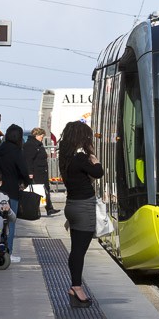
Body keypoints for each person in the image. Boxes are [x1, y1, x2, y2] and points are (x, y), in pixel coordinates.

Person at [59, 120, 103, 308]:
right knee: (79, 251)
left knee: (76, 248)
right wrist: (95, 158)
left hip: (72, 205)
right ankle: (77, 287)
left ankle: (74, 286)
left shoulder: (66, 158)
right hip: (84, 207)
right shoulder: (81, 158)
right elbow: (98, 172)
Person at [0, 124, 30, 261]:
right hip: (12, 192)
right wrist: (26, 182)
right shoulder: (17, 151)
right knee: (10, 221)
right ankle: (8, 252)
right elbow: (24, 170)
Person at [25, 127, 58, 215]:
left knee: (45, 189)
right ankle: (37, 210)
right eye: (41, 136)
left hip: (42, 171)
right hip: (37, 172)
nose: (42, 138)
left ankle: (49, 208)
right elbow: (28, 159)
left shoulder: (38, 144)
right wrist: (30, 172)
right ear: (36, 135)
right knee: (38, 191)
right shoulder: (31, 145)